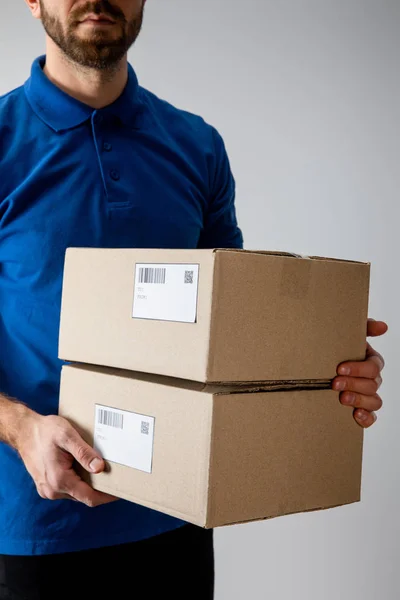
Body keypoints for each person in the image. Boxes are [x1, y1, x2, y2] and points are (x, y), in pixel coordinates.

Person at [0, 1, 388, 598]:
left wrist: (321, 360)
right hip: (33, 530)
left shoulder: (196, 144)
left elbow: (224, 323)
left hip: (175, 514)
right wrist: (21, 427)